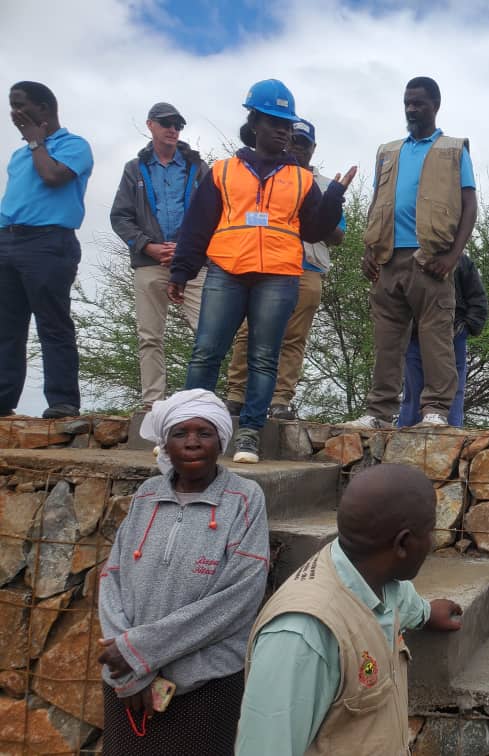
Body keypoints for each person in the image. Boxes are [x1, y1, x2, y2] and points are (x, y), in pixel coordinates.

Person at [170, 79, 355, 463]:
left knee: (264, 355)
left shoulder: (302, 179)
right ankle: (189, 428)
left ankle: (250, 433)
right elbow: (198, 225)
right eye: (275, 121)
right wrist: (182, 271)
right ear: (254, 122)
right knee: (206, 351)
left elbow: (315, 231)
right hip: (227, 271)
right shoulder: (222, 172)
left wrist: (334, 196)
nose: (283, 130)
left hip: (278, 275)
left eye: (287, 124)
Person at [236, 464, 463, 755]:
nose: (433, 542)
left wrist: (427, 613)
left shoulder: (378, 578)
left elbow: (402, 602)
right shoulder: (302, 636)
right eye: (430, 531)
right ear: (403, 544)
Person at [97, 389, 269, 755]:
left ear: (220, 441)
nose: (192, 443)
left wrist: (139, 651)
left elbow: (239, 596)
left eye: (204, 433)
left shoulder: (244, 498)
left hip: (203, 684)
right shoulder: (146, 494)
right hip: (127, 681)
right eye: (180, 433)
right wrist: (129, 665)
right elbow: (112, 576)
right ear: (165, 443)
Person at [347, 76, 477, 429]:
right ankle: (378, 412)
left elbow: (469, 204)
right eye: (407, 102)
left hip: (430, 258)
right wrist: (369, 249)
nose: (411, 108)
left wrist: (453, 256)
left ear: (435, 104)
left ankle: (435, 409)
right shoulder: (388, 151)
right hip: (388, 257)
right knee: (387, 341)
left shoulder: (453, 149)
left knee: (436, 337)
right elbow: (378, 201)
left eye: (418, 102)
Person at [224, 118, 346, 420]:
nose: (297, 148)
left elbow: (339, 236)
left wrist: (322, 209)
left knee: (294, 338)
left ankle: (280, 400)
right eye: (293, 141)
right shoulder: (267, 175)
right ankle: (236, 395)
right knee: (247, 332)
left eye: (304, 144)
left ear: (313, 149)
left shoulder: (326, 185)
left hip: (307, 268)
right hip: (266, 264)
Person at [1, 81, 92, 419]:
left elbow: (53, 177)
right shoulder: (19, 154)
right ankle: (2, 399)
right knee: (6, 326)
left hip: (49, 242)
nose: (14, 111)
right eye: (11, 104)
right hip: (8, 239)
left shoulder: (75, 145)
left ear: (44, 108)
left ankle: (63, 402)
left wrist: (36, 141)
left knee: (52, 324)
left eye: (20, 104)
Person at [110, 102, 210, 410]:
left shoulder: (198, 167)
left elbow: (213, 214)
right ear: (150, 125)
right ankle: (153, 402)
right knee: (149, 336)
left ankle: (200, 401)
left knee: (208, 332)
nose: (172, 129)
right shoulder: (134, 168)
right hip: (150, 262)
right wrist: (146, 245)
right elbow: (120, 217)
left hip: (192, 262)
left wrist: (187, 247)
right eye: (166, 122)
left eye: (178, 124)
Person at [398, 253, 487, 427]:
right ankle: (405, 434)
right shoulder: (408, 259)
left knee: (453, 389)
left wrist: (465, 327)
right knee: (413, 388)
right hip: (416, 336)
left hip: (453, 336)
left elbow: (478, 301)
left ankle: (451, 433)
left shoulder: (461, 261)